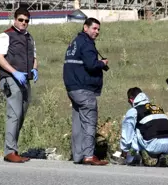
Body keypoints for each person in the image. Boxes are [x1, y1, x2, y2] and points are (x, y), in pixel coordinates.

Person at [63, 17, 109, 165]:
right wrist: (101, 63)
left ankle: (78, 156)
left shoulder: (74, 43)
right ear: (85, 28)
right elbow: (91, 65)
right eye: (94, 28)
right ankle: (89, 155)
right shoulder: (87, 43)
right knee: (89, 121)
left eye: (98, 29)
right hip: (84, 88)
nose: (97, 32)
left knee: (77, 123)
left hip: (72, 88)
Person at [0, 7, 38, 163]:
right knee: (14, 114)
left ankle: (13, 148)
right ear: (15, 19)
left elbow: (34, 57)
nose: (23, 23)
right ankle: (10, 152)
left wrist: (35, 69)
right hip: (11, 78)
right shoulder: (5, 36)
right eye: (21, 19)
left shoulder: (30, 38)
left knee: (21, 115)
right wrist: (14, 72)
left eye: (26, 20)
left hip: (25, 80)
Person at [120, 87, 168, 166]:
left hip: (154, 145)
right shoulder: (157, 108)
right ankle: (161, 156)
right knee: (149, 126)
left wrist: (124, 152)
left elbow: (127, 134)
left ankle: (137, 156)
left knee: (133, 127)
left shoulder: (134, 111)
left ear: (131, 100)